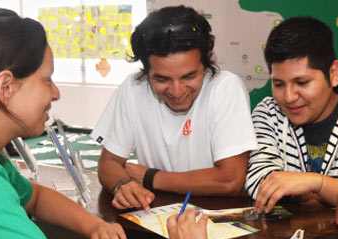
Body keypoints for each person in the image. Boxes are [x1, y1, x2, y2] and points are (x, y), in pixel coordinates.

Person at [0, 8, 210, 239]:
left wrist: (93, 225)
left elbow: (35, 196)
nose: (56, 93)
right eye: (47, 80)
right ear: (5, 87)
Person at [90, 5, 257, 211]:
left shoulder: (225, 88)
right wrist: (123, 186)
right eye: (161, 79)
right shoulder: (133, 88)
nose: (177, 91)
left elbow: (230, 181)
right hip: (155, 218)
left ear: (206, 62)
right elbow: (109, 163)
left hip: (216, 224)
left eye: (189, 76)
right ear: (145, 70)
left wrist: (150, 177)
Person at [245, 16, 338, 214]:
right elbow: (259, 181)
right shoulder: (268, 112)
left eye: (302, 82)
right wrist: (334, 194)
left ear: (333, 73)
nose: (289, 97)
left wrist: (318, 184)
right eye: (279, 84)